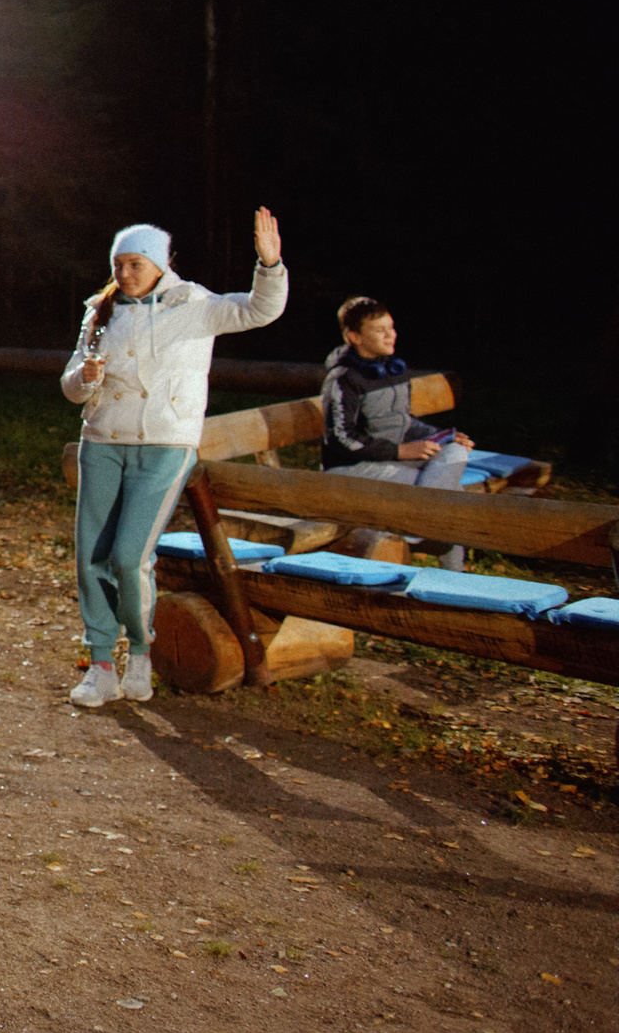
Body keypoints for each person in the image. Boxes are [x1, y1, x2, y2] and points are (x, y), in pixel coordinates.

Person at [60, 211, 288, 708]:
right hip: (102, 442)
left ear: (160, 264)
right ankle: (101, 663)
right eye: (119, 264)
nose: (125, 274)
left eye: (135, 264)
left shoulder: (193, 304)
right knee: (90, 557)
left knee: (128, 555)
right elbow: (71, 386)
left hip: (165, 444)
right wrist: (89, 378)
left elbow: (258, 311)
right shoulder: (100, 311)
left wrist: (269, 265)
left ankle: (140, 651)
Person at [321, 297, 471, 570]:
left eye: (391, 327)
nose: (391, 334)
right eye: (380, 330)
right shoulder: (344, 379)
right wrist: (400, 451)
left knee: (456, 452)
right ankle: (454, 571)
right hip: (350, 466)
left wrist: (444, 436)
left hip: (387, 459)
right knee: (451, 492)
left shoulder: (392, 371)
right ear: (355, 337)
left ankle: (420, 526)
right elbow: (341, 437)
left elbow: (404, 423)